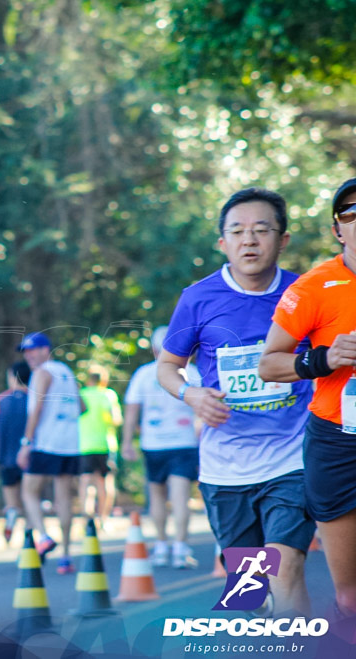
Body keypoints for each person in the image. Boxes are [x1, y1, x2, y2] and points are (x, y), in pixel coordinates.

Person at [158, 188, 315, 616]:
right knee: (248, 592)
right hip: (225, 466)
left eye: (262, 230)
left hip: (292, 458)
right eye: (238, 231)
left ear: (282, 240)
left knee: (287, 566)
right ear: (222, 242)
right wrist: (190, 394)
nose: (250, 240)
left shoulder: (306, 293)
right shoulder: (198, 298)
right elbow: (167, 366)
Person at [258, 177, 356, 631]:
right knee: (351, 596)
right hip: (339, 444)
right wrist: (324, 358)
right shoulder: (316, 286)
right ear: (339, 230)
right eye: (351, 214)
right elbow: (269, 364)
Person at [121, 325, 201, 568]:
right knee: (180, 497)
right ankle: (180, 548)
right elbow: (202, 408)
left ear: (155, 349)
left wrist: (126, 442)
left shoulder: (144, 374)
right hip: (184, 441)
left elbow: (132, 409)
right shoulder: (193, 372)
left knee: (156, 495)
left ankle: (161, 545)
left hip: (153, 443)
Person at [15, 332, 83, 576]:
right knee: (63, 498)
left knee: (29, 491)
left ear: (46, 350)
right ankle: (66, 555)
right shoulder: (66, 371)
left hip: (46, 443)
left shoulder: (42, 373)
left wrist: (26, 442)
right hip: (70, 444)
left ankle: (43, 537)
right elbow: (82, 405)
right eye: (25, 351)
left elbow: (36, 409)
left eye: (33, 350)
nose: (29, 355)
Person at [0, 361, 31, 544]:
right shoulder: (35, 399)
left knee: (12, 498)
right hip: (29, 458)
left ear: (12, 377)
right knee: (29, 499)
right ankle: (29, 538)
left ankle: (11, 513)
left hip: (6, 458)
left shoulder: (0, 400)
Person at [77, 365, 122, 530]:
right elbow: (116, 419)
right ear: (103, 380)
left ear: (88, 379)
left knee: (85, 482)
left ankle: (86, 519)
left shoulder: (81, 394)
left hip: (84, 445)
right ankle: (103, 519)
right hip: (105, 444)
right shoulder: (108, 395)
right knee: (105, 483)